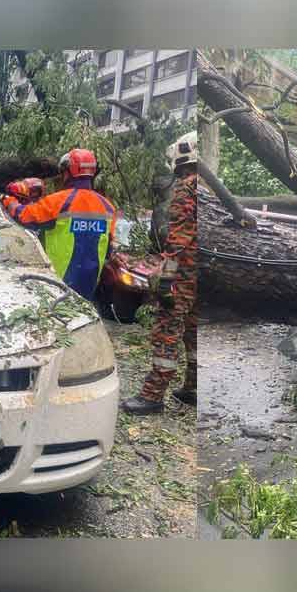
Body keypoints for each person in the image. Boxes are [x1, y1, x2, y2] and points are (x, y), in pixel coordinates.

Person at [123, 132, 199, 415]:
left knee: (166, 332)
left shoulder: (186, 188)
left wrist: (166, 279)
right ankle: (192, 388)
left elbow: (179, 239)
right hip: (203, 276)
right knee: (193, 332)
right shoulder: (207, 188)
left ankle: (152, 395)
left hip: (183, 275)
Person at [0, 149, 116, 300]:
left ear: (68, 172)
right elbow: (109, 248)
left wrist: (8, 201)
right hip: (89, 286)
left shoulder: (59, 202)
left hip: (56, 283)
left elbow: (24, 216)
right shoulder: (108, 207)